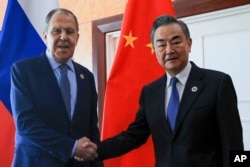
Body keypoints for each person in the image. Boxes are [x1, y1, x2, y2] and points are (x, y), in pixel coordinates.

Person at [78, 14, 244, 167]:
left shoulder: (218, 83)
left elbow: (235, 144)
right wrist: (96, 150)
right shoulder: (150, 92)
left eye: (176, 42)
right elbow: (133, 136)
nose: (169, 50)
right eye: (162, 44)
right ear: (155, 50)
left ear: (189, 44)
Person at [10, 8, 103, 167]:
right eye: (56, 31)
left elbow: (91, 130)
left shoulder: (86, 76)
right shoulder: (23, 71)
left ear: (77, 37)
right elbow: (26, 123)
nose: (63, 37)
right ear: (45, 36)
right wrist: (72, 148)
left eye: (69, 31)